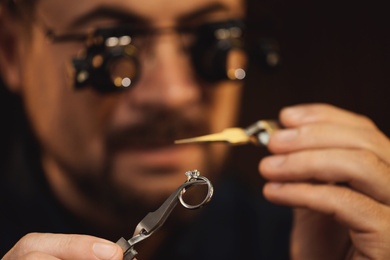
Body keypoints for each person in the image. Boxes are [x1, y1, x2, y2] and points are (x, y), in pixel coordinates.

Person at [0, 1, 390, 260]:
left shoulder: (323, 244)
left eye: (213, 40)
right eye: (111, 48)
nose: (173, 94)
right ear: (12, 48)